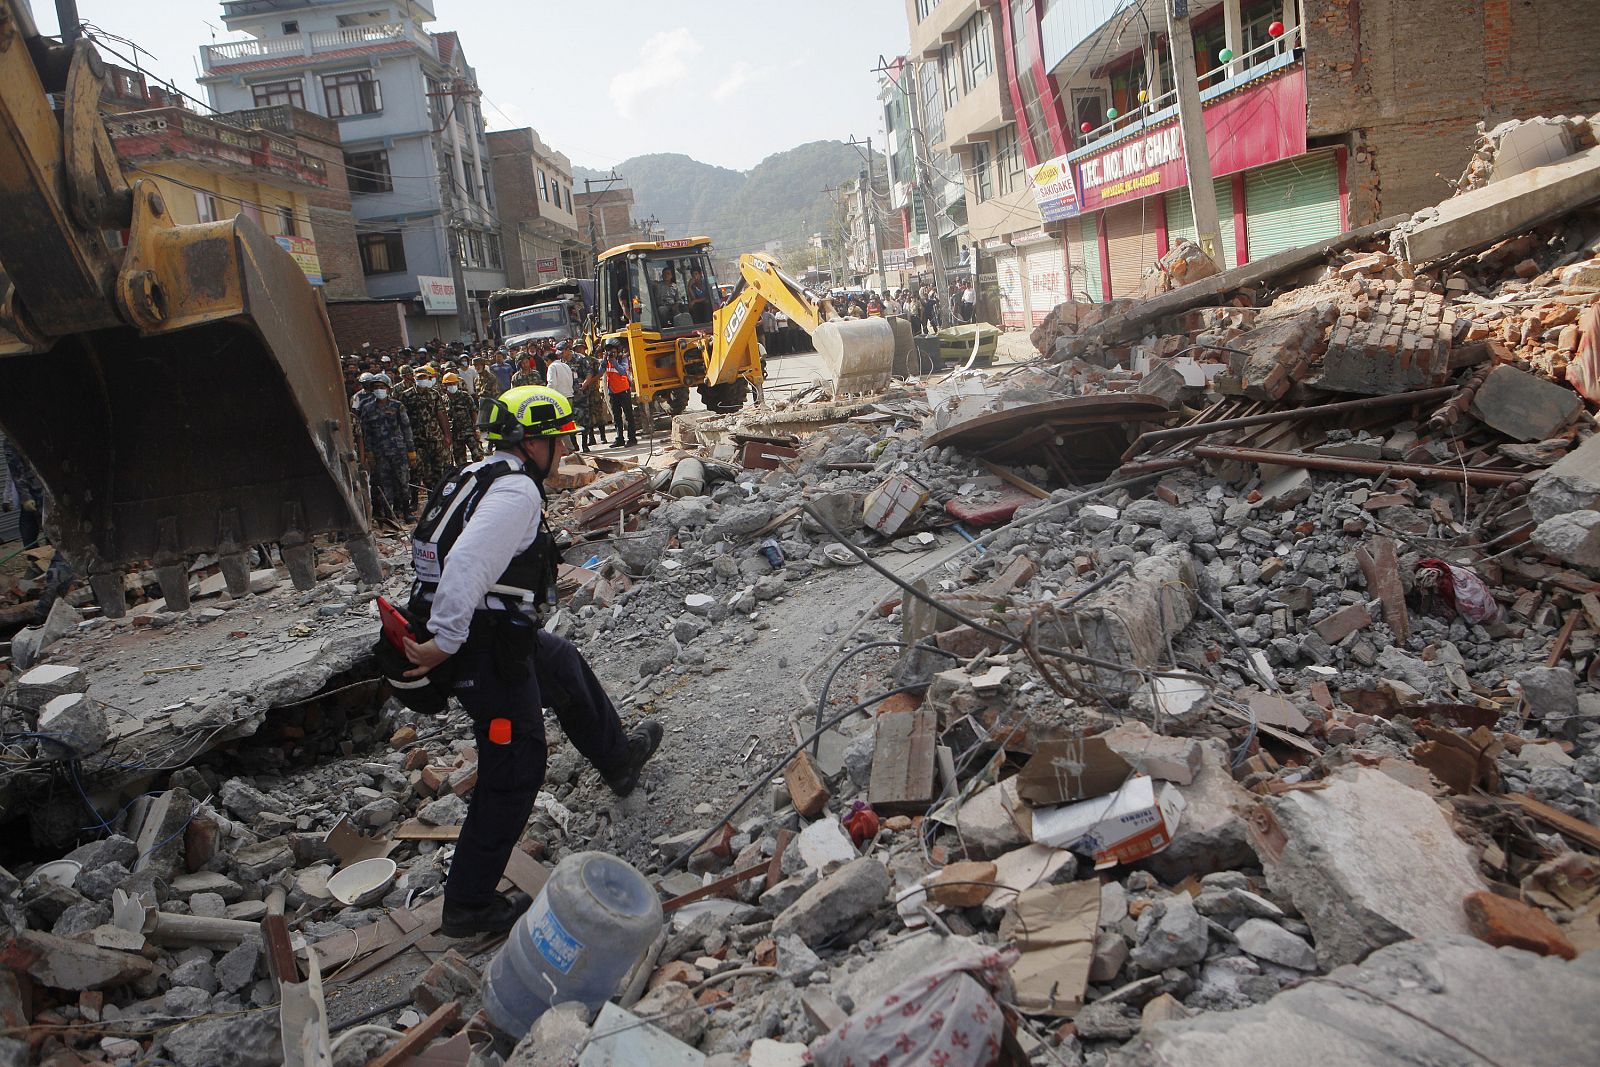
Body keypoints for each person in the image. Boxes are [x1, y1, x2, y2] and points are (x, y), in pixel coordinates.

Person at [401, 385, 663, 937]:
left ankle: (618, 760)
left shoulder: (472, 476)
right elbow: (466, 563)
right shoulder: (516, 491)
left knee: (561, 662)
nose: (564, 450)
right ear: (531, 442)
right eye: (558, 440)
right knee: (516, 766)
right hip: (484, 642)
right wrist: (446, 639)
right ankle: (468, 907)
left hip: (496, 632)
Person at [357, 373, 415, 520]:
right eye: (376, 387)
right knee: (385, 484)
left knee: (403, 481)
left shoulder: (397, 406)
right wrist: (368, 453)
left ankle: (406, 511)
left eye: (382, 387)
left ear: (388, 389)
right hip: (379, 453)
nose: (379, 390)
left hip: (398, 451)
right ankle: (390, 515)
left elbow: (406, 428)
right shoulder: (367, 408)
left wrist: (411, 450)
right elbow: (366, 432)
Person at [400, 364, 454, 504]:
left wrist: (447, 435)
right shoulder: (406, 396)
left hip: (435, 437)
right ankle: (414, 501)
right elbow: (403, 419)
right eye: (420, 377)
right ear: (414, 378)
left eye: (425, 377)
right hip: (416, 439)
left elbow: (441, 415)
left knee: (437, 469)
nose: (422, 379)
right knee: (417, 471)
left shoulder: (434, 394)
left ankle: (436, 498)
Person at [601, 339, 638, 448]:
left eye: (612, 351)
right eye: (608, 351)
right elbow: (600, 371)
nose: (610, 353)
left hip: (623, 391)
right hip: (612, 392)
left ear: (617, 350)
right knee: (616, 417)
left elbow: (623, 371)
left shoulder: (623, 359)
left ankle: (632, 438)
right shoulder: (607, 360)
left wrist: (614, 362)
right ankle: (619, 439)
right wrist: (604, 361)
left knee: (628, 415)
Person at [442, 373, 483, 466]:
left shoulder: (465, 396)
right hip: (455, 435)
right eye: (449, 384)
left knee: (478, 457)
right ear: (445, 386)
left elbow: (473, 412)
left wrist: (477, 429)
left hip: (469, 432)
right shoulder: (443, 400)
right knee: (460, 463)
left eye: (454, 383)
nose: (452, 386)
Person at [545, 342, 576, 409]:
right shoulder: (565, 365)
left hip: (560, 398)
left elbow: (552, 383)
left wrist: (546, 394)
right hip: (570, 397)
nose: (545, 365)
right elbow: (571, 381)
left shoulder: (552, 367)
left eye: (545, 362)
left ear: (549, 360)